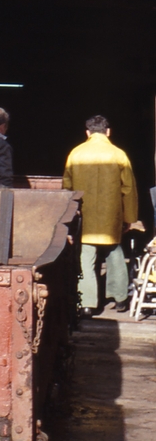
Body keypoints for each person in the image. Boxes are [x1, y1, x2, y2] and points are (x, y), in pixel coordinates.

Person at [62, 115, 139, 318]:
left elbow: (67, 188)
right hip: (112, 215)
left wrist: (69, 217)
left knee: (86, 257)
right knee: (115, 254)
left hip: (85, 216)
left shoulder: (76, 154)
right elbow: (129, 189)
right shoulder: (119, 155)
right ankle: (120, 298)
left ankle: (87, 303)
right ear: (108, 132)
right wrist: (129, 217)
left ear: (87, 132)